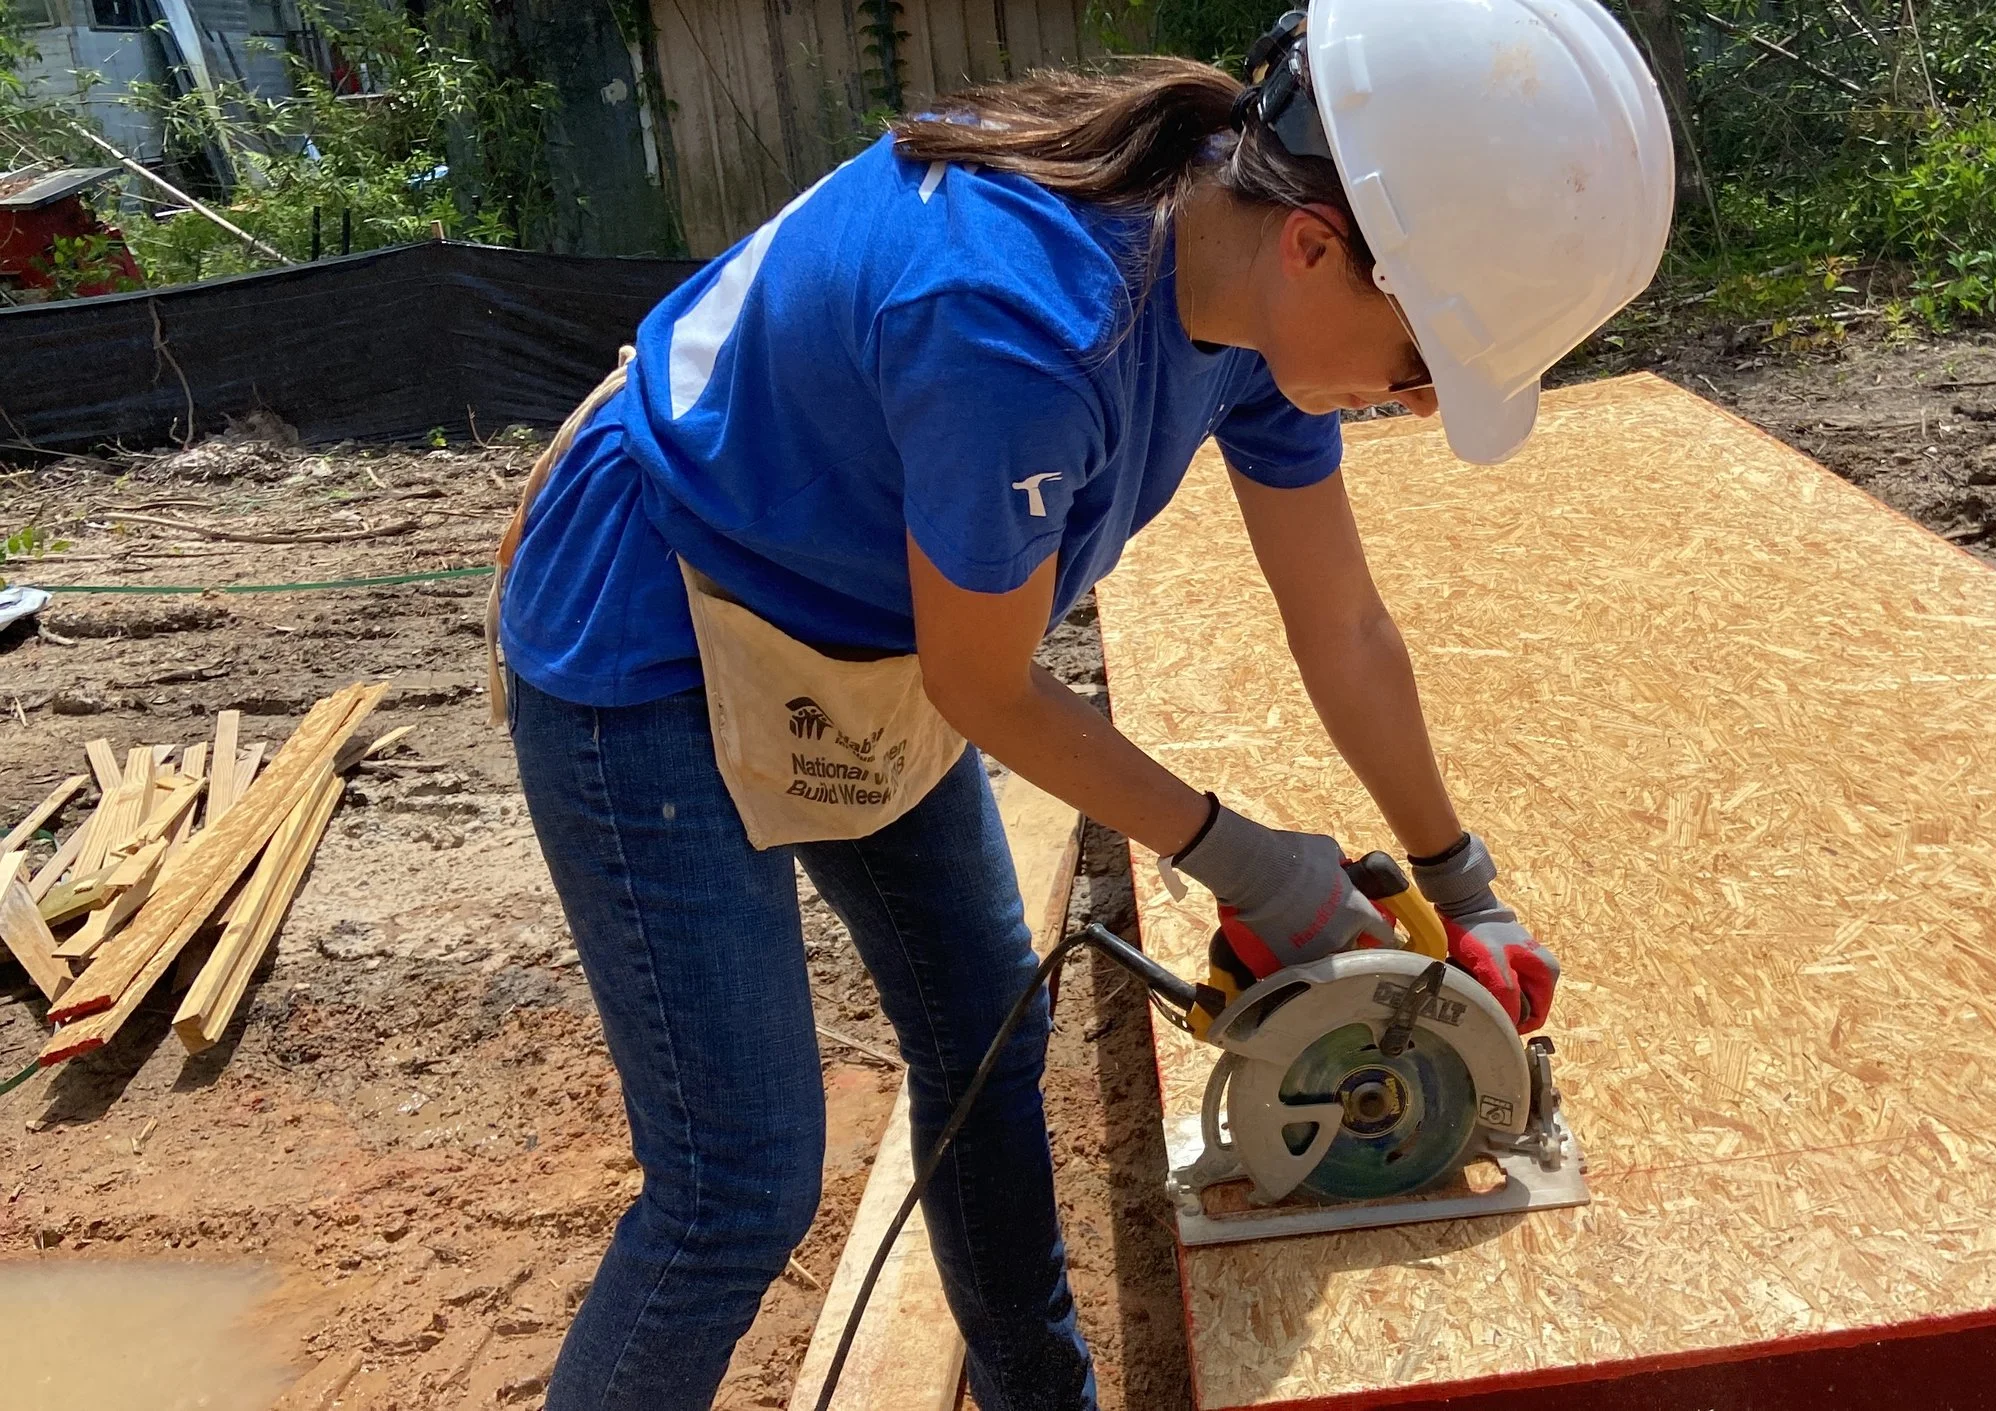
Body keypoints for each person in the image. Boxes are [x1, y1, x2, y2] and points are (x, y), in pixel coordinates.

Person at [489, 0, 1671, 1405]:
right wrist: (1248, 860)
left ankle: (1040, 1390)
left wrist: (1455, 876)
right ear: (1318, 247)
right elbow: (982, 679)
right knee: (736, 1184)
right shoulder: (1017, 323)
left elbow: (1341, 624)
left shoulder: (1247, 294)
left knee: (984, 1030)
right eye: (1420, 364)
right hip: (659, 624)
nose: (1413, 404)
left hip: (868, 617)